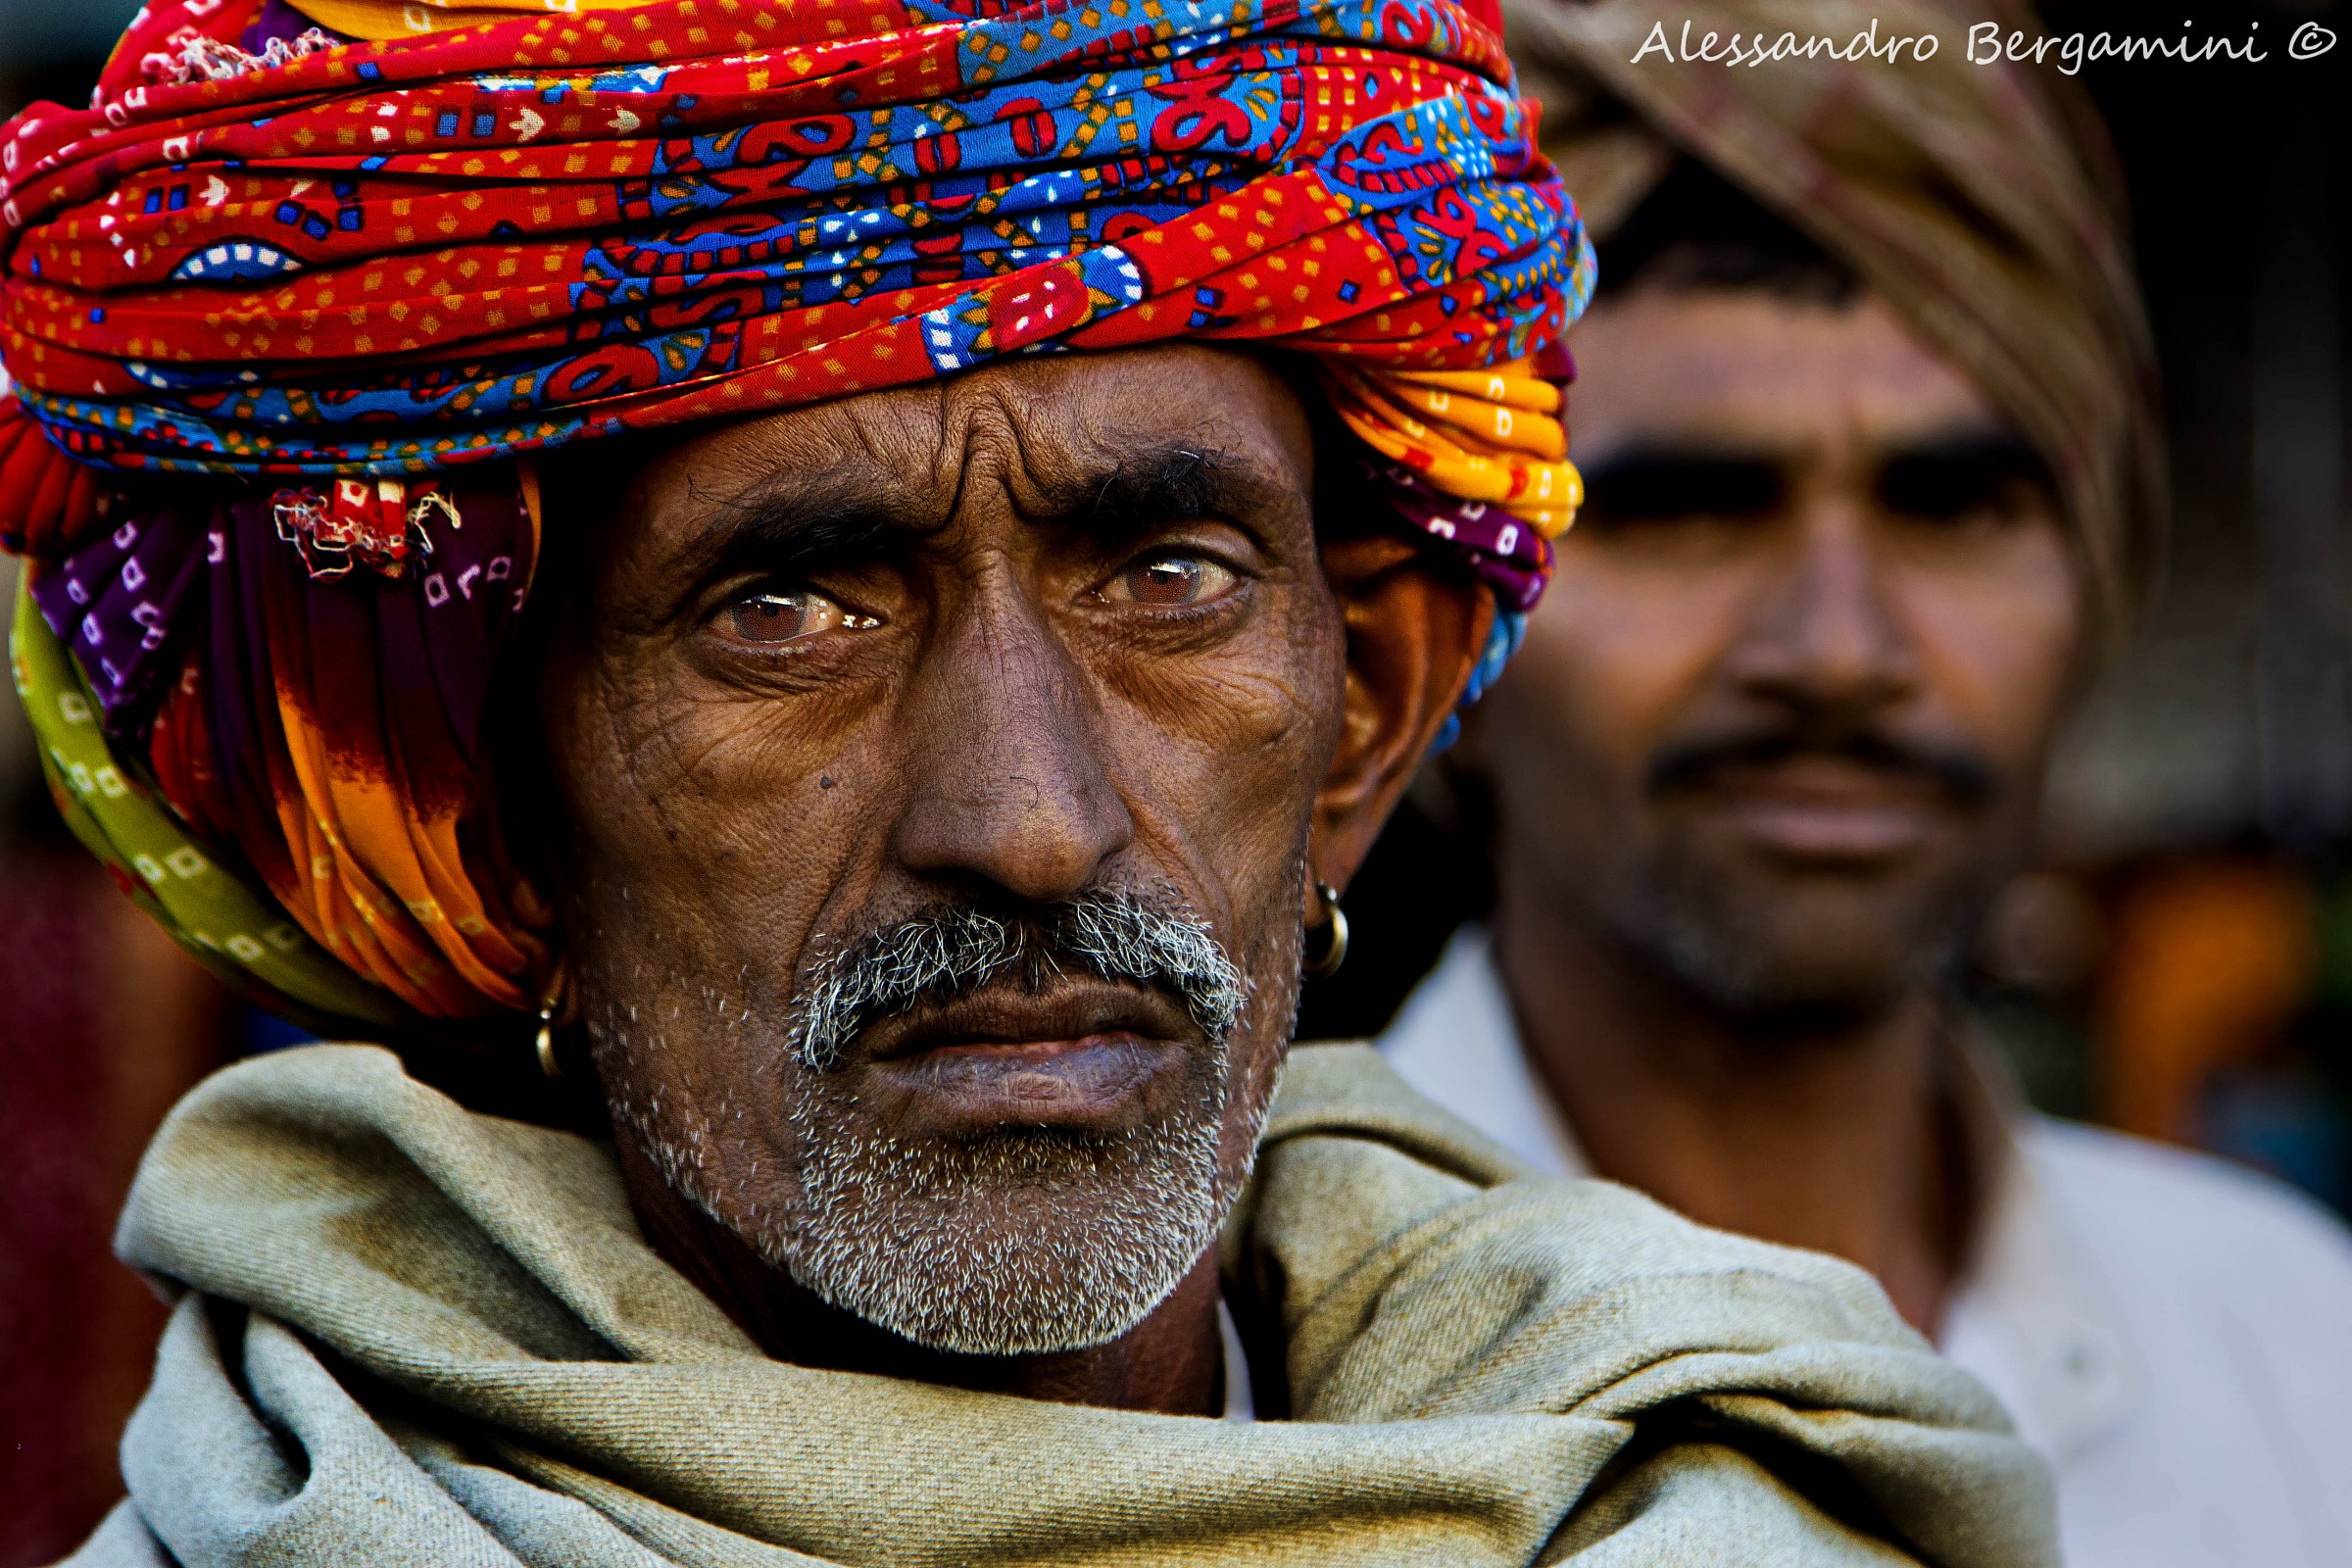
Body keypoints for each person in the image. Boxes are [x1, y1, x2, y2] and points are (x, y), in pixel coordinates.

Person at [0, 0, 2056, 1561]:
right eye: (789, 607)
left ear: (1363, 716)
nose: (1030, 814)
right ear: (494, 796)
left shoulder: (1731, 1489)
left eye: (1168, 576)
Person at [1378, 4, 2352, 1566]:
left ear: (2093, 583)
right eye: (1693, 508)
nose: (1838, 649)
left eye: (1952, 504)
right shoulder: (1233, 1389)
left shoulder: (2294, 1353)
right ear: (1441, 644)